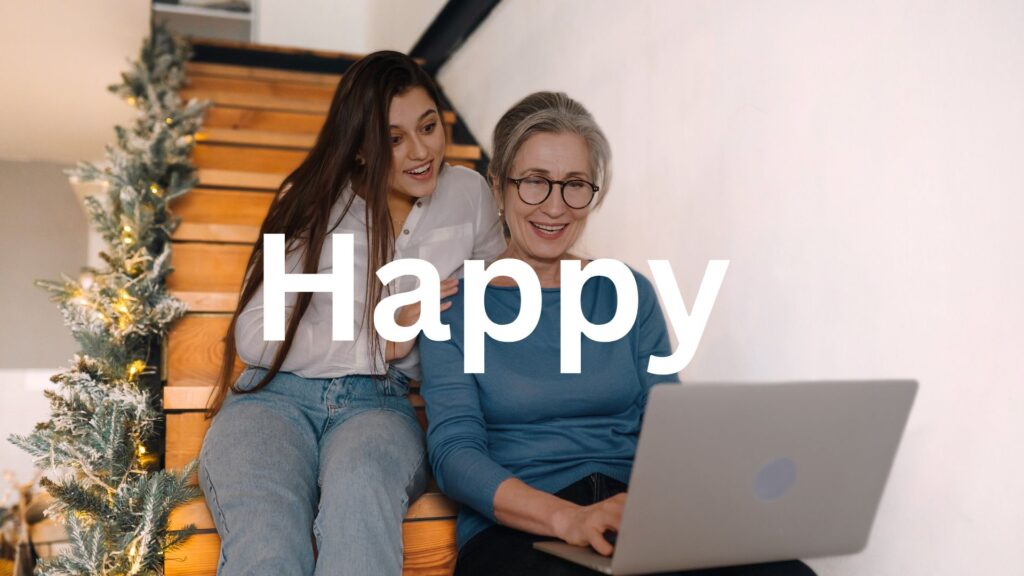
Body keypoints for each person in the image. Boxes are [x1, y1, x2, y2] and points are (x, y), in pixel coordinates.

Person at [418, 92, 815, 576]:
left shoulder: (629, 292)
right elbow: (455, 455)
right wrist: (566, 519)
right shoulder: (452, 307)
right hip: (520, 531)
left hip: (634, 515)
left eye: (575, 185)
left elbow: (668, 424)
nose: (556, 207)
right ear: (499, 187)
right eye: (535, 183)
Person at [198, 51, 505, 576]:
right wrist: (381, 338)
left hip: (380, 405)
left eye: (428, 126)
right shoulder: (313, 199)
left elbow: (499, 298)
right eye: (393, 138)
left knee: (360, 510)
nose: (420, 151)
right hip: (274, 398)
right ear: (361, 146)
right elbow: (255, 333)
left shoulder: (468, 195)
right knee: (268, 542)